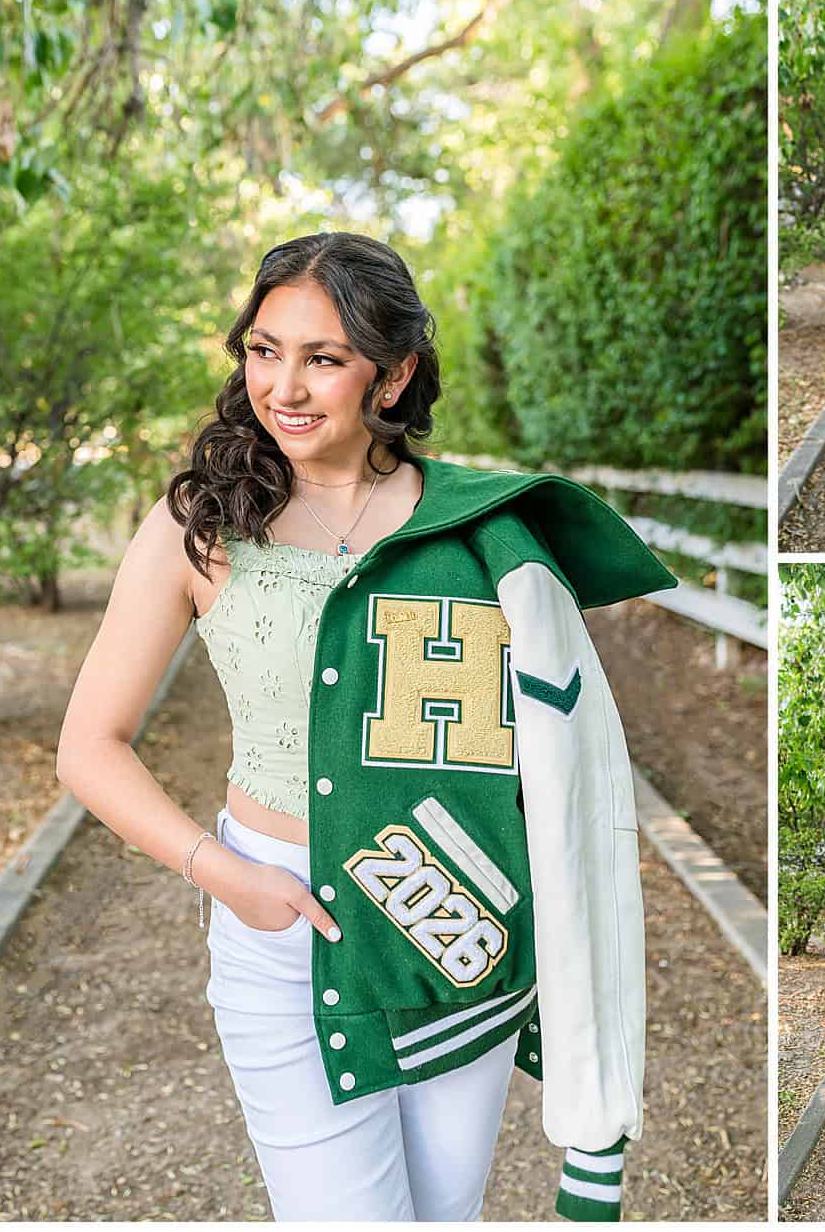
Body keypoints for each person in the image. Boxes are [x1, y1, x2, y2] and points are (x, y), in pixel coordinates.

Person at [58, 232, 676, 1221]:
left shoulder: (486, 532)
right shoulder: (204, 524)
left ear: (394, 376)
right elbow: (89, 743)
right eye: (264, 351)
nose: (285, 387)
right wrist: (224, 875)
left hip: (456, 922)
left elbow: (568, 765)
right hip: (281, 918)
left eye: (324, 358)